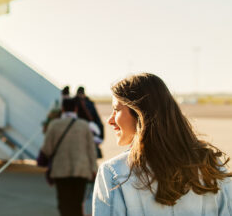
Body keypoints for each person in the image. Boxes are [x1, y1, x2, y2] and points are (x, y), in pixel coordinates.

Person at [93, 73, 232, 215]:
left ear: (140, 111)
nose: (110, 120)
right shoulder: (210, 165)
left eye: (116, 109)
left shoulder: (114, 173)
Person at [40, 98, 97, 216]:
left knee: (64, 203)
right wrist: (94, 169)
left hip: (61, 171)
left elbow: (47, 149)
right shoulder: (84, 125)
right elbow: (91, 150)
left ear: (62, 109)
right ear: (76, 109)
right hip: (81, 170)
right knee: (77, 203)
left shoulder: (54, 125)